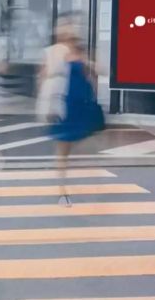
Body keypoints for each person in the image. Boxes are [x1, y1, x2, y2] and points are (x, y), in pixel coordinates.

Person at [39, 20, 103, 207]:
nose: (67, 34)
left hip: (81, 104)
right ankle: (63, 191)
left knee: (88, 148)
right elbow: (43, 78)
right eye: (64, 31)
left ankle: (90, 186)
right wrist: (47, 107)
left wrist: (90, 69)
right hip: (63, 106)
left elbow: (93, 74)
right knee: (63, 151)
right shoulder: (53, 52)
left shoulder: (81, 54)